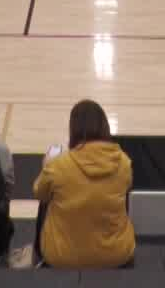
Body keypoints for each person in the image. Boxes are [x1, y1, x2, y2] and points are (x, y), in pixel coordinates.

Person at [33, 101, 133, 270]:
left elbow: (39, 193)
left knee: (47, 198)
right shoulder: (124, 162)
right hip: (116, 255)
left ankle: (37, 256)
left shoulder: (57, 166)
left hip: (61, 256)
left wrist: (46, 167)